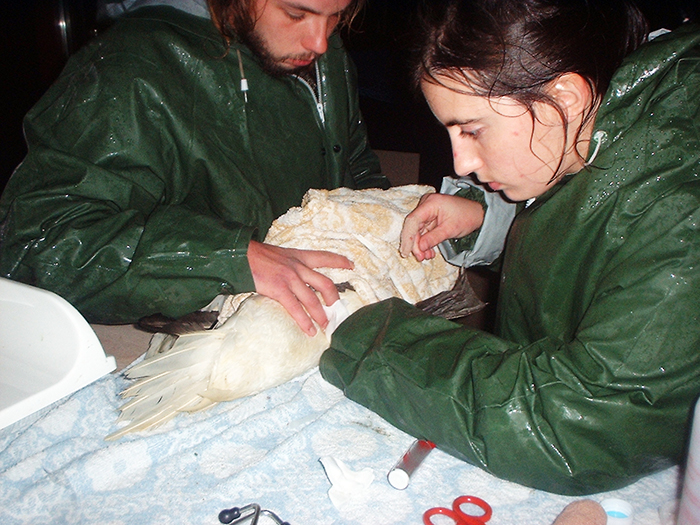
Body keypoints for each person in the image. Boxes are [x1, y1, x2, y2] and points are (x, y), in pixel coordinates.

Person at [320, 0, 700, 495]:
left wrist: (371, 339)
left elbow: (580, 426)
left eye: (473, 129)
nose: (461, 161)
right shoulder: (601, 119)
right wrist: (492, 220)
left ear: (565, 95)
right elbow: (597, 235)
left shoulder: (680, 209)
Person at [0, 0, 389, 336]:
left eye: (337, 15)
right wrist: (229, 257)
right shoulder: (129, 68)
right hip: (194, 333)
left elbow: (352, 158)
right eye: (294, 13)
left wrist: (389, 218)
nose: (320, 41)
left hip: (319, 307)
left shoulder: (323, 49)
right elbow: (39, 244)